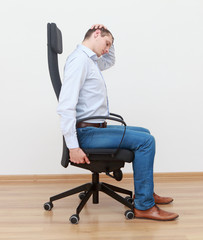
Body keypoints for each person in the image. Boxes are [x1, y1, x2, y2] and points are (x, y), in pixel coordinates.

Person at [57, 24, 179, 221]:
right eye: (106, 43)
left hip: (95, 129)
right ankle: (144, 206)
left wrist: (110, 41)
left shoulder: (91, 61)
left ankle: (146, 193)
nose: (107, 49)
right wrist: (73, 147)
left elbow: (110, 60)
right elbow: (65, 107)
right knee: (147, 142)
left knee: (145, 133)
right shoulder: (79, 61)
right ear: (96, 34)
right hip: (87, 135)